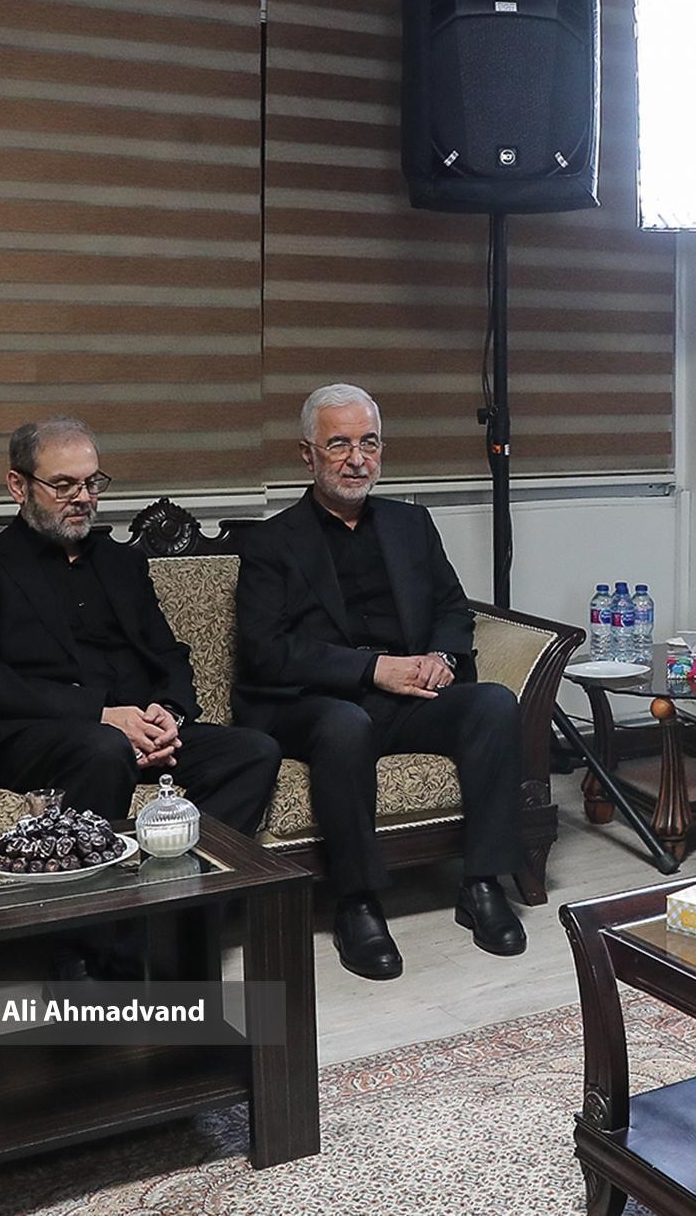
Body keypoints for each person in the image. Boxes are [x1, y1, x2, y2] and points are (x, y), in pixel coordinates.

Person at [234, 383, 527, 979]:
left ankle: (482, 883)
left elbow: (452, 608)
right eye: (339, 445)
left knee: (493, 704)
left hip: (408, 696)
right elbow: (267, 651)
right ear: (307, 455)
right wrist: (371, 669)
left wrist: (443, 657)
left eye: (368, 443)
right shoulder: (270, 542)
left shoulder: (410, 524)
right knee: (347, 724)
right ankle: (358, 902)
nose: (356, 459)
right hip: (319, 705)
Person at [0, 417, 280, 837]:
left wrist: (169, 713)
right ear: (18, 486)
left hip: (136, 728)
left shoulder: (122, 564)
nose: (82, 498)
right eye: (64, 486)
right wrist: (102, 715)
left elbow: (167, 653)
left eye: (91, 483)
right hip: (44, 736)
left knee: (254, 751)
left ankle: (182, 869)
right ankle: (103, 877)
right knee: (105, 747)